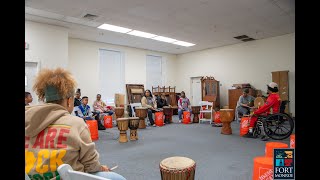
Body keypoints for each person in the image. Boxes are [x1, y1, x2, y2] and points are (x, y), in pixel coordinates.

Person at [25, 67, 126, 180]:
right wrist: (101, 168)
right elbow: (90, 165)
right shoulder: (76, 123)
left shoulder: (27, 119)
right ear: (69, 101)